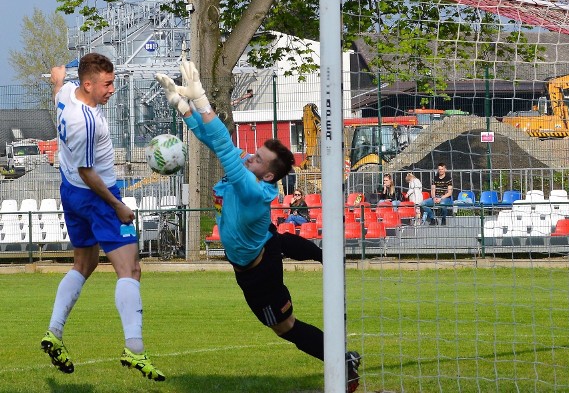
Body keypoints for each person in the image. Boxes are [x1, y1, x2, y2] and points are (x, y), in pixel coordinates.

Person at [155, 59, 361, 392]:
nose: (249, 156)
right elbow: (210, 139)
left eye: (258, 158)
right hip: (261, 246)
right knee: (276, 239)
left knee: (286, 328)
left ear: (267, 175)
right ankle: (326, 257)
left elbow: (221, 143)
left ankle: (342, 360)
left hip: (258, 275)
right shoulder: (250, 171)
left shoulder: (252, 190)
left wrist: (201, 98)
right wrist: (183, 107)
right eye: (254, 153)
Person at [42, 54, 165, 380]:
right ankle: (135, 349)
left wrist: (57, 78)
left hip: (70, 190)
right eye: (107, 84)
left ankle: (54, 331)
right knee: (130, 269)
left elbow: (58, 90)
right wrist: (118, 206)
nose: (112, 89)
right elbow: (88, 171)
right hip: (97, 196)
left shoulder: (67, 94)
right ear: (88, 84)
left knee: (85, 263)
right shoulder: (89, 121)